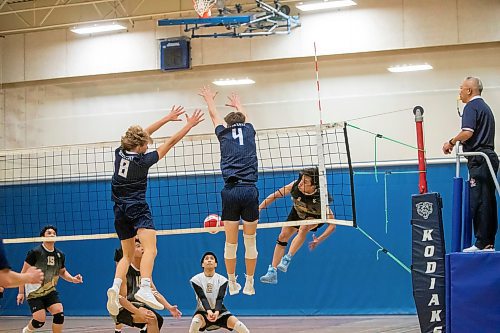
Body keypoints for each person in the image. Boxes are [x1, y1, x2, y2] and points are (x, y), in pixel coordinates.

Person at [107, 106, 204, 315]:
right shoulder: (143, 161)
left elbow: (143, 133)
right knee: (151, 249)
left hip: (119, 209)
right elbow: (170, 143)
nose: (147, 146)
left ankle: (115, 287)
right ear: (140, 146)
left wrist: (168, 119)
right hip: (137, 207)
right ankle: (145, 286)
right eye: (145, 145)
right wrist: (188, 125)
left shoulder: (120, 152)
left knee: (127, 255)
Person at [199, 86, 259, 296]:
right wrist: (238, 104)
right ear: (243, 121)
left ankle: (232, 283)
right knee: (250, 241)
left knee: (230, 243)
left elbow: (214, 115)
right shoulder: (249, 130)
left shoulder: (223, 133)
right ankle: (250, 283)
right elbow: (245, 117)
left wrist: (209, 99)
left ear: (228, 124)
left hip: (231, 191)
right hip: (249, 190)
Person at [443, 76, 498, 252]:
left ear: (469, 90)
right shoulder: (485, 108)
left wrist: (451, 142)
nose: (459, 92)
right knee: (487, 200)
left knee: (480, 201)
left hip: (480, 159)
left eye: (461, 88)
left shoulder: (471, 107)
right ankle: (487, 242)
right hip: (487, 157)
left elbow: (467, 132)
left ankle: (482, 242)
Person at [259, 167, 336, 284]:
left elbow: (332, 225)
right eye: (301, 179)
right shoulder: (294, 186)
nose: (300, 183)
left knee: (304, 227)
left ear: (314, 186)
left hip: (314, 217)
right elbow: (275, 195)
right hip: (297, 213)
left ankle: (287, 258)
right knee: (282, 236)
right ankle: (272, 272)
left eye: (305, 182)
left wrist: (319, 239)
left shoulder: (322, 198)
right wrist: (259, 208)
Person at [17, 225, 83, 333]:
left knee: (59, 313)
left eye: (54, 233)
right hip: (34, 292)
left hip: (49, 290)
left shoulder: (60, 255)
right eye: (49, 233)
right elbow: (23, 273)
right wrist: (21, 292)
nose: (52, 234)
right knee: (39, 321)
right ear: (43, 236)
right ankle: (27, 330)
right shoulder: (35, 253)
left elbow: (62, 272)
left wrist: (72, 279)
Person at [111, 238, 182, 333]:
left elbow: (154, 292)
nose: (142, 248)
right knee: (151, 318)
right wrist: (138, 312)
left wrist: (169, 307)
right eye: (138, 246)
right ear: (130, 251)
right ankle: (118, 328)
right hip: (120, 309)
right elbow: (121, 299)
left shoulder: (145, 271)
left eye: (143, 246)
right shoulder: (124, 271)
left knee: (159, 320)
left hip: (136, 304)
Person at [189, 252, 250, 333]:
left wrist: (216, 312)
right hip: (203, 312)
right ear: (202, 264)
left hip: (220, 312)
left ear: (216, 264)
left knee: (241, 327)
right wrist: (209, 312)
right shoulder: (196, 279)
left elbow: (220, 298)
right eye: (206, 259)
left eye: (212, 258)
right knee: (195, 322)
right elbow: (202, 297)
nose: (209, 260)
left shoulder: (222, 280)